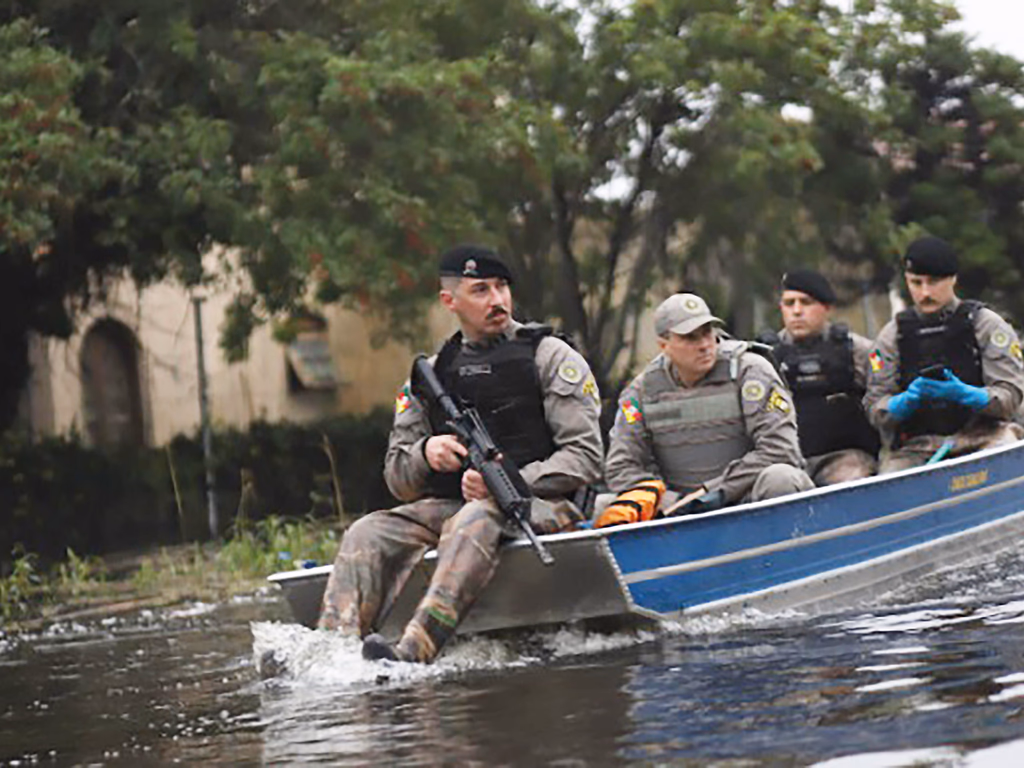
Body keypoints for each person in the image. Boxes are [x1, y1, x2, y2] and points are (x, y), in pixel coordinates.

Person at [318, 244, 603, 662]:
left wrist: (505, 483)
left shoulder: (549, 357)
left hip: (545, 505)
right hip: (457, 509)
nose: (498, 300)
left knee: (472, 518)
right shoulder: (432, 375)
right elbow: (397, 479)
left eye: (502, 287)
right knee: (368, 531)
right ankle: (331, 655)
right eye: (481, 290)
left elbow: (584, 457)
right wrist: (425, 452)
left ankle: (414, 652)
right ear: (449, 301)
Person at [598, 293, 813, 528]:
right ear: (664, 345)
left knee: (781, 479)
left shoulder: (749, 371)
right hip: (679, 513)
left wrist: (714, 491)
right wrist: (671, 500)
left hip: (745, 500)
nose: (704, 345)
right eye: (690, 337)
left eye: (708, 332)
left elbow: (781, 450)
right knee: (606, 506)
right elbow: (620, 466)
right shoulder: (641, 392)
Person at [864, 236, 1024, 473]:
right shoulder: (891, 337)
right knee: (892, 484)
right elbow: (875, 406)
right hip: (918, 446)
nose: (925, 292)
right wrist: (903, 403)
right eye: (916, 283)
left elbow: (1011, 395)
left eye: (934, 282)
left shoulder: (986, 326)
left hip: (983, 434)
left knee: (1006, 456)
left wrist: (969, 395)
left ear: (953, 279)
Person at [765, 269, 879, 485]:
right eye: (789, 304)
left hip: (846, 460)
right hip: (789, 463)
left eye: (805, 302)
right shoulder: (764, 358)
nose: (797, 311)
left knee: (851, 484)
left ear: (826, 307)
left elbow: (882, 398)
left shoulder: (858, 350)